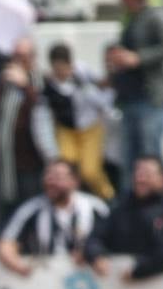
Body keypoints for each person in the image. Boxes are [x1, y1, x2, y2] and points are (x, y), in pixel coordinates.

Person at [106, 0, 163, 168]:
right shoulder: (130, 17)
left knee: (150, 158)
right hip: (129, 99)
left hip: (149, 99)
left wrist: (138, 58)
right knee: (129, 159)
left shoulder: (156, 15)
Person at [0, 37, 57, 221]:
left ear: (33, 58)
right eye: (15, 56)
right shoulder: (3, 83)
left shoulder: (41, 82)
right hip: (5, 164)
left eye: (23, 56)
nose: (18, 61)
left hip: (31, 164)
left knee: (30, 213)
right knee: (6, 214)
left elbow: (46, 110)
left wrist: (25, 86)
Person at [85, 154, 163, 282]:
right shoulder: (121, 206)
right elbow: (95, 237)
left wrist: (139, 270)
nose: (140, 179)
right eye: (138, 173)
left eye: (147, 174)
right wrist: (96, 255)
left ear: (162, 179)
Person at [0, 160, 108, 276]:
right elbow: (6, 243)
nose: (50, 181)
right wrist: (21, 268)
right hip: (44, 279)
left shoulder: (95, 208)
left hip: (87, 281)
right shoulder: (31, 209)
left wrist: (94, 255)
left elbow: (111, 241)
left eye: (57, 177)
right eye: (47, 176)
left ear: (75, 181)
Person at [44, 43, 115, 201]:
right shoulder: (49, 83)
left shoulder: (82, 73)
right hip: (67, 130)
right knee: (66, 167)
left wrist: (89, 89)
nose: (61, 73)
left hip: (90, 127)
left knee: (89, 170)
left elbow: (104, 87)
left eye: (63, 68)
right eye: (57, 69)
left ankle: (108, 197)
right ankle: (71, 199)